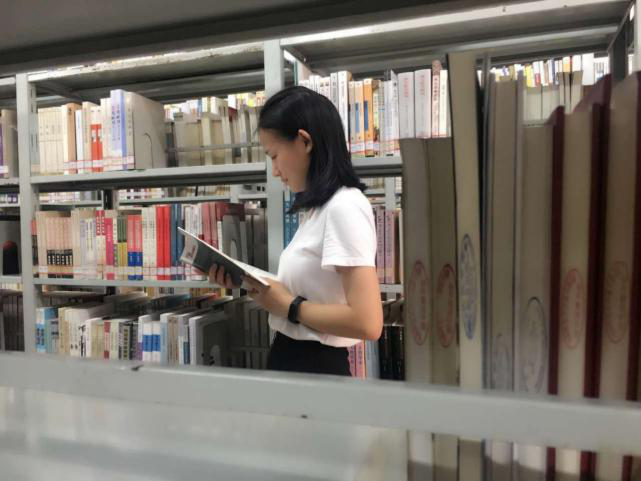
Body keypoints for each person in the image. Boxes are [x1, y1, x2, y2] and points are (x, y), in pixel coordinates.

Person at [210, 86, 383, 376]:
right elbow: (308, 292)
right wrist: (251, 283)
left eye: (274, 155)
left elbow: (368, 322)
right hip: (294, 357)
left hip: (316, 366)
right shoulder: (318, 210)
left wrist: (290, 307)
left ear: (304, 141)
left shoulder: (344, 206)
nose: (275, 171)